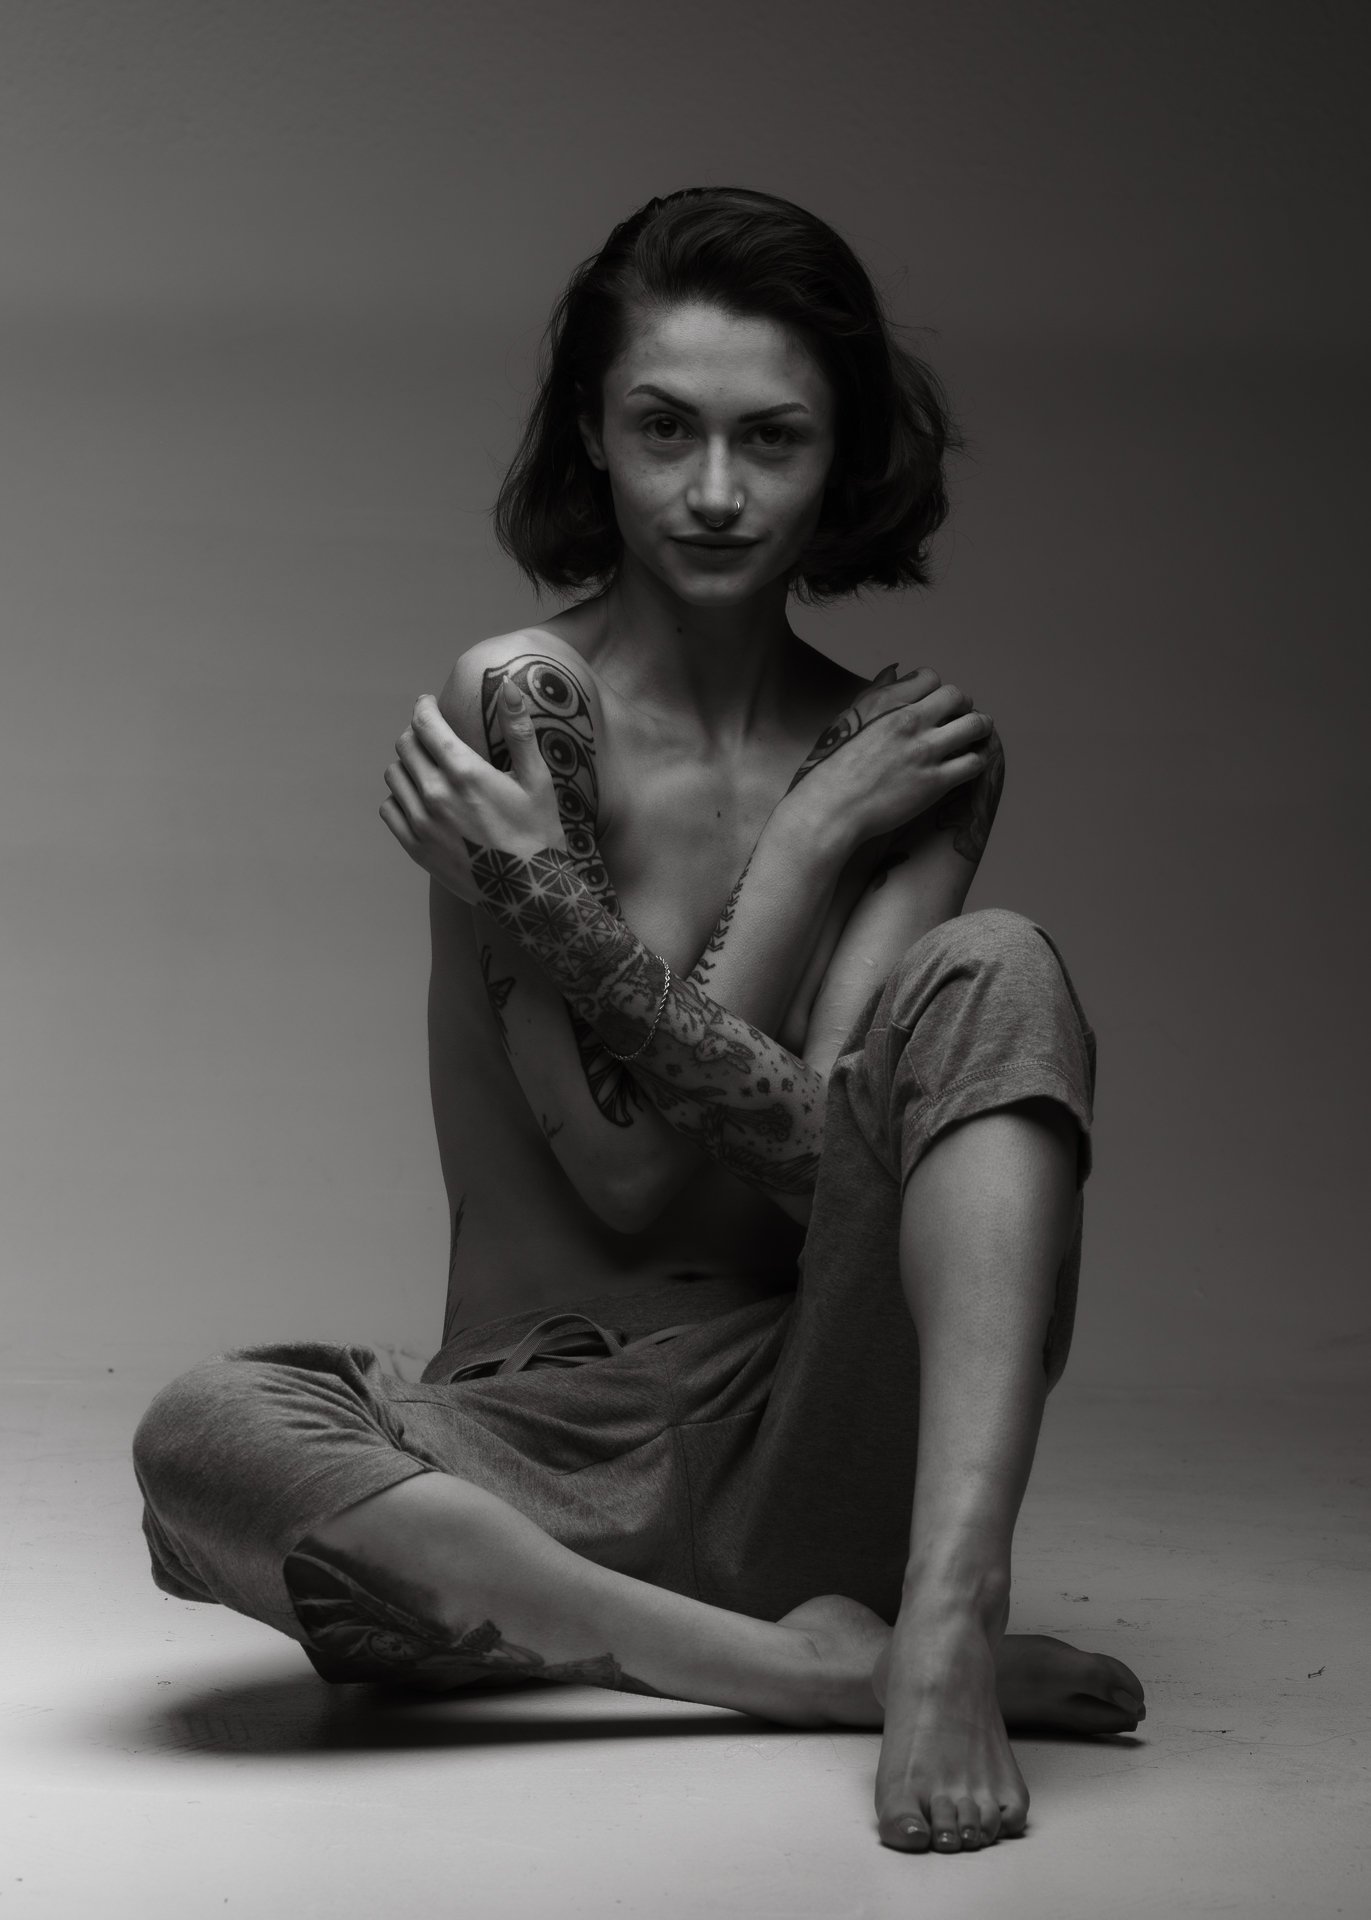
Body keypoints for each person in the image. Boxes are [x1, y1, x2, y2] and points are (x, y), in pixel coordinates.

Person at [132, 186, 1145, 1856]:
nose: (716, 491)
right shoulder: (527, 698)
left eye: (773, 438)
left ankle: (949, 1609)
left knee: (1003, 966)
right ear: (593, 437)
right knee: (208, 1434)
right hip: (524, 1462)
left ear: (843, 453)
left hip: (807, 1434)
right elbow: (623, 1173)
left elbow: (827, 1164)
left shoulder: (909, 759)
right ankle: (807, 1674)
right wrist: (800, 853)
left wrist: (651, 871)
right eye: (664, 428)